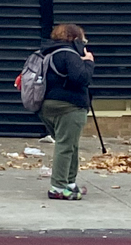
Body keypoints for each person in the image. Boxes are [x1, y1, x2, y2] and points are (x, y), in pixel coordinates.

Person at [34, 22, 95, 201]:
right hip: (69, 107)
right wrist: (89, 63)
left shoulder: (48, 53)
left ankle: (70, 183)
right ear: (75, 39)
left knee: (70, 144)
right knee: (65, 146)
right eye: (83, 40)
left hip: (47, 106)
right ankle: (58, 187)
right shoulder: (69, 55)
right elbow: (81, 78)